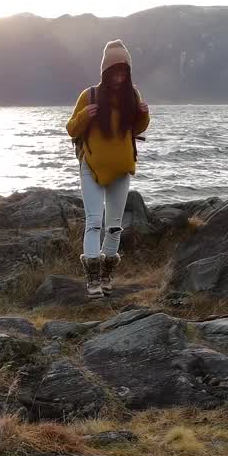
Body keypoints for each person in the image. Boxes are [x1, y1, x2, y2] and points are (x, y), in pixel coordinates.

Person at [66, 39, 150, 298]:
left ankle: (106, 276)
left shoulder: (132, 95)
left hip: (121, 168)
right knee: (93, 222)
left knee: (114, 226)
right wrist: (84, 116)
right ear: (105, 71)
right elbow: (71, 129)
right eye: (115, 70)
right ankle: (92, 281)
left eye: (124, 70)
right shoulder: (89, 95)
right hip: (90, 166)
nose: (120, 75)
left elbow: (136, 130)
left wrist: (144, 114)